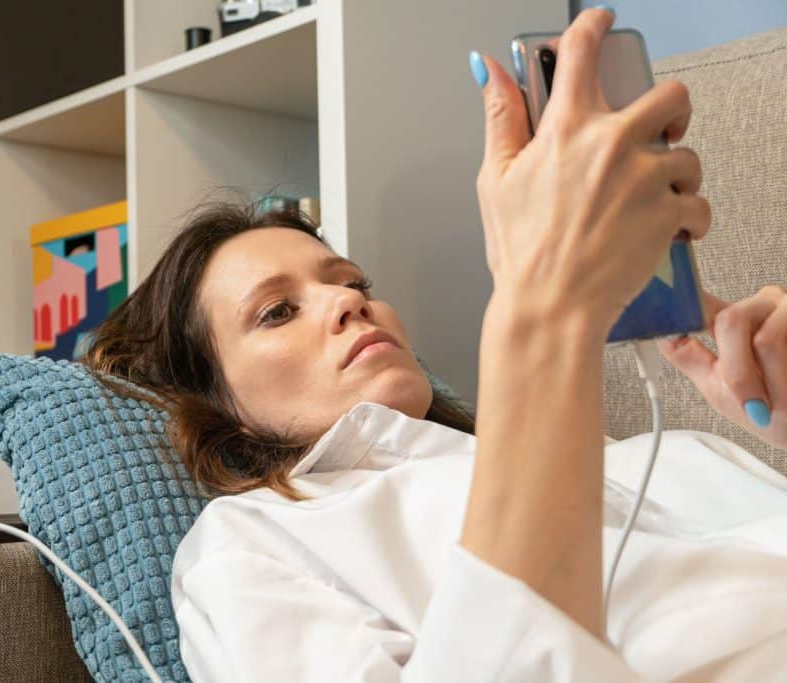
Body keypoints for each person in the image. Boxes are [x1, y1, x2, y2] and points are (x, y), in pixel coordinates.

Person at [81, 7, 787, 680]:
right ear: (215, 401)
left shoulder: (649, 453)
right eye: (276, 312)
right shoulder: (252, 544)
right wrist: (541, 312)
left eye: (352, 280)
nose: (346, 300)